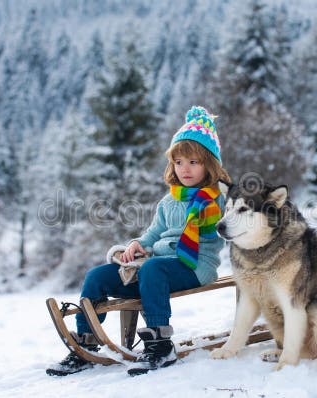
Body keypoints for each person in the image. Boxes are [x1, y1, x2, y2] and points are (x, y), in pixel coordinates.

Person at [49, 106, 231, 377]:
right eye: (179, 162)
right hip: (157, 267)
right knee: (97, 276)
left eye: (194, 162)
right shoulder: (170, 200)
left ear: (210, 164)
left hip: (193, 265)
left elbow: (221, 223)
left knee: (152, 269)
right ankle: (85, 344)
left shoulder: (215, 197)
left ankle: (160, 344)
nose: (185, 169)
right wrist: (137, 244)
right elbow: (153, 233)